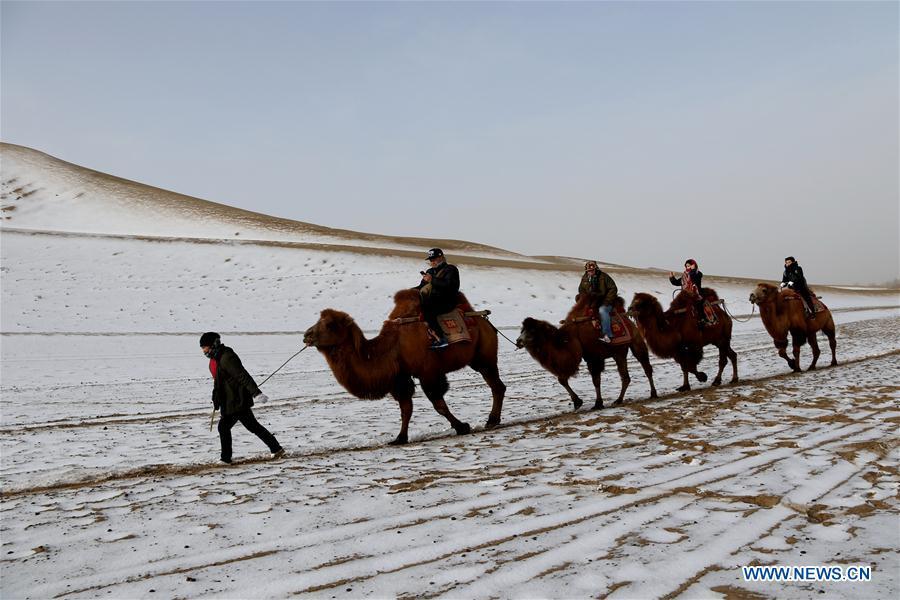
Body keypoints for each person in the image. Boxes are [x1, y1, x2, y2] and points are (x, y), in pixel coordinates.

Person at [200, 332, 284, 464]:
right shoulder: (214, 359)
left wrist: (256, 393)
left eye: (205, 347)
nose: (203, 350)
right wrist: (216, 398)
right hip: (228, 401)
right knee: (252, 426)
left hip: (237, 400)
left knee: (224, 427)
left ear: (213, 345)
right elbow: (218, 382)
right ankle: (276, 448)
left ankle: (226, 459)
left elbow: (242, 375)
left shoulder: (227, 357)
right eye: (202, 348)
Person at [415, 248, 460, 349]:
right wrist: (409, 292)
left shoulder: (451, 269)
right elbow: (421, 287)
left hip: (447, 301)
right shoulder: (429, 271)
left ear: (441, 257)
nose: (432, 262)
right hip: (431, 300)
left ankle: (441, 338)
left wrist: (432, 280)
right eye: (431, 260)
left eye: (434, 259)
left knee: (428, 310)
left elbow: (450, 287)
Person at [577, 260, 618, 343]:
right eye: (588, 271)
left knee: (602, 311)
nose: (590, 272)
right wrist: (584, 299)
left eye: (592, 270)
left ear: (596, 269)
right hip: (592, 302)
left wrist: (607, 300)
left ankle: (607, 334)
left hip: (605, 301)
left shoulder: (604, 277)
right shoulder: (584, 278)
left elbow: (613, 288)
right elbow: (581, 290)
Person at [669, 259, 707, 328]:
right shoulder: (684, 276)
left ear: (694, 265)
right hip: (685, 294)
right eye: (686, 266)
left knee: (698, 304)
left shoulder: (698, 273)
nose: (687, 267)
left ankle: (702, 320)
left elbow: (694, 278)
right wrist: (672, 277)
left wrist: (692, 271)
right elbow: (677, 283)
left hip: (696, 294)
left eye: (689, 265)